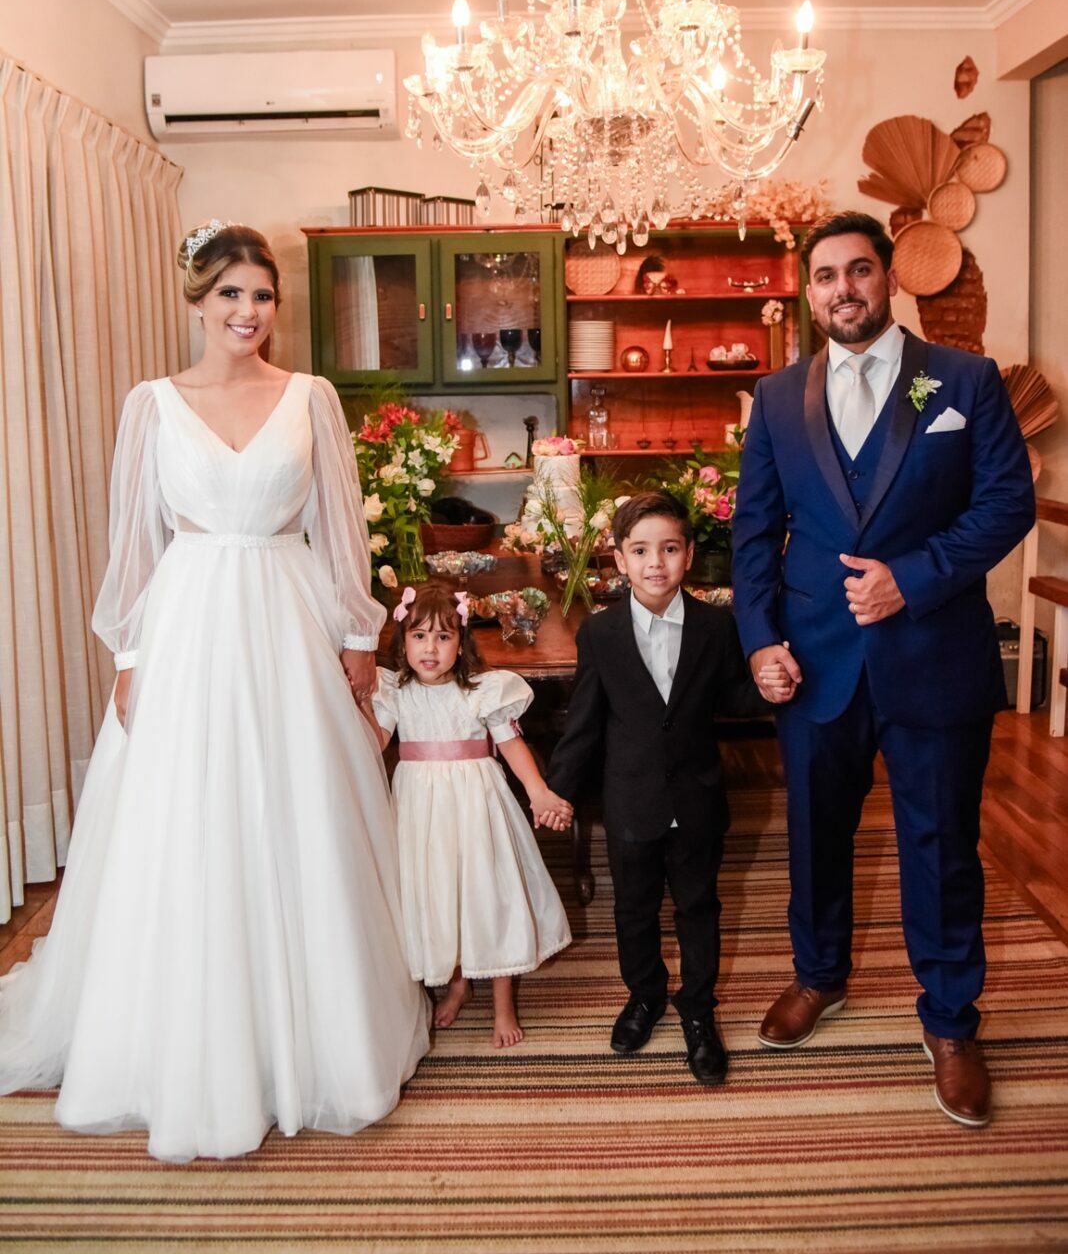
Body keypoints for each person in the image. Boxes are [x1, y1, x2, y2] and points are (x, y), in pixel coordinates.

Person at [0, 220, 430, 1161]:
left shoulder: (310, 396)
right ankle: (185, 1042)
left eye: (262, 294)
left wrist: (360, 638)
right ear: (197, 301)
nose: (249, 310)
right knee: (187, 819)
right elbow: (133, 545)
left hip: (290, 617)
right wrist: (129, 658)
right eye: (231, 292)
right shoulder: (151, 404)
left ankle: (315, 1032)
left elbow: (339, 530)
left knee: (298, 813)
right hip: (188, 627)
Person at [732, 209, 1035, 1129]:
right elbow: (754, 531)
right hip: (813, 660)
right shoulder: (777, 398)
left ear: (889, 277)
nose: (844, 290)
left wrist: (915, 578)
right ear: (809, 291)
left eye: (859, 271)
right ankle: (818, 974)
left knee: (940, 846)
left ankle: (950, 1020)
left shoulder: (964, 380)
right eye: (826, 276)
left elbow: (1006, 505)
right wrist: (761, 639)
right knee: (815, 835)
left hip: (934, 655)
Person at [548, 493, 764, 1086]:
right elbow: (584, 721)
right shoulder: (600, 633)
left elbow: (734, 696)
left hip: (697, 796)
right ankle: (644, 995)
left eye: (669, 549)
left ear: (689, 554)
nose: (655, 563)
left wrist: (773, 684)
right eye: (640, 551)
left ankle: (698, 1011)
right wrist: (559, 789)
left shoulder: (716, 626)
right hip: (630, 800)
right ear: (620, 559)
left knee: (699, 905)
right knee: (634, 908)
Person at [369, 580, 573, 1049]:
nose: (430, 648)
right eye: (419, 636)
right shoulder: (396, 693)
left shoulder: (483, 691)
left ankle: (503, 1004)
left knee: (486, 892)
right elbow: (374, 744)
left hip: (476, 805)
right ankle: (458, 982)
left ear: (461, 644)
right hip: (421, 812)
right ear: (403, 643)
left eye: (443, 636)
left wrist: (538, 793)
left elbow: (512, 746)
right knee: (440, 892)